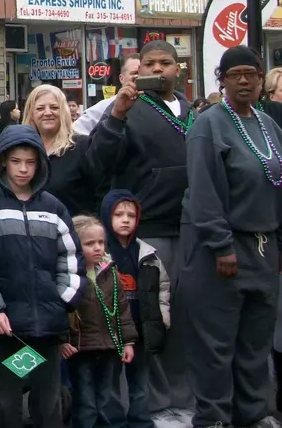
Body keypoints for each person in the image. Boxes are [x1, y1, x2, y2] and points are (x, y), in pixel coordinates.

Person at [180, 46, 282, 428]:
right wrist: (221, 245)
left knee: (255, 342)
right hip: (219, 251)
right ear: (220, 80)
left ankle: (253, 414)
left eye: (251, 74)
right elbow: (204, 192)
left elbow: (279, 184)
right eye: (235, 74)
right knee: (216, 344)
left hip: (264, 248)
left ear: (260, 78)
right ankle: (213, 417)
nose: (244, 80)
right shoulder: (209, 124)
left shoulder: (268, 125)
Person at [0, 124, 84, 428]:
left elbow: (70, 258)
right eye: (16, 162)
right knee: (8, 401)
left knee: (47, 399)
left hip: (46, 329)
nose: (23, 169)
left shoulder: (53, 208)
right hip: (9, 330)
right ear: (3, 161)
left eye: (30, 162)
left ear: (40, 163)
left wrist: (63, 302)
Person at [101, 40, 193, 422]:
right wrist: (118, 115)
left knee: (185, 317)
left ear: (179, 68)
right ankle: (149, 403)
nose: (158, 70)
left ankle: (184, 396)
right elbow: (104, 162)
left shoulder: (194, 111)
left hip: (191, 227)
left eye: (165, 63)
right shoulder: (128, 108)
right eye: (149, 63)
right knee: (150, 317)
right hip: (149, 227)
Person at [101, 189, 170, 428]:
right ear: (106, 217)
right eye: (118, 214)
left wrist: (162, 320)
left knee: (140, 383)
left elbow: (162, 289)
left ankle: (141, 421)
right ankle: (114, 423)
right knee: (109, 384)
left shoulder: (148, 253)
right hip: (109, 333)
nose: (125, 219)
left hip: (140, 331)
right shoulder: (101, 253)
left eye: (131, 215)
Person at [61, 216, 136, 428]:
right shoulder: (68, 274)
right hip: (81, 348)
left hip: (109, 347)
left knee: (105, 399)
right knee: (85, 401)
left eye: (101, 242)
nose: (97, 248)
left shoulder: (110, 272)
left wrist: (128, 342)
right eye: (89, 243)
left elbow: (122, 310)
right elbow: (60, 311)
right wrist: (62, 341)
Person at [21, 84, 131, 216]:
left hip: (74, 231)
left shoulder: (82, 146)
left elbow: (101, 191)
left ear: (63, 111)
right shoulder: (22, 149)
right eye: (40, 108)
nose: (48, 112)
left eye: (54, 107)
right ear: (31, 114)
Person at [73, 54, 141, 135]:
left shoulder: (157, 104)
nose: (139, 77)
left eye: (142, 74)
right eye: (135, 73)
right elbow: (75, 132)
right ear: (121, 79)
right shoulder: (104, 107)